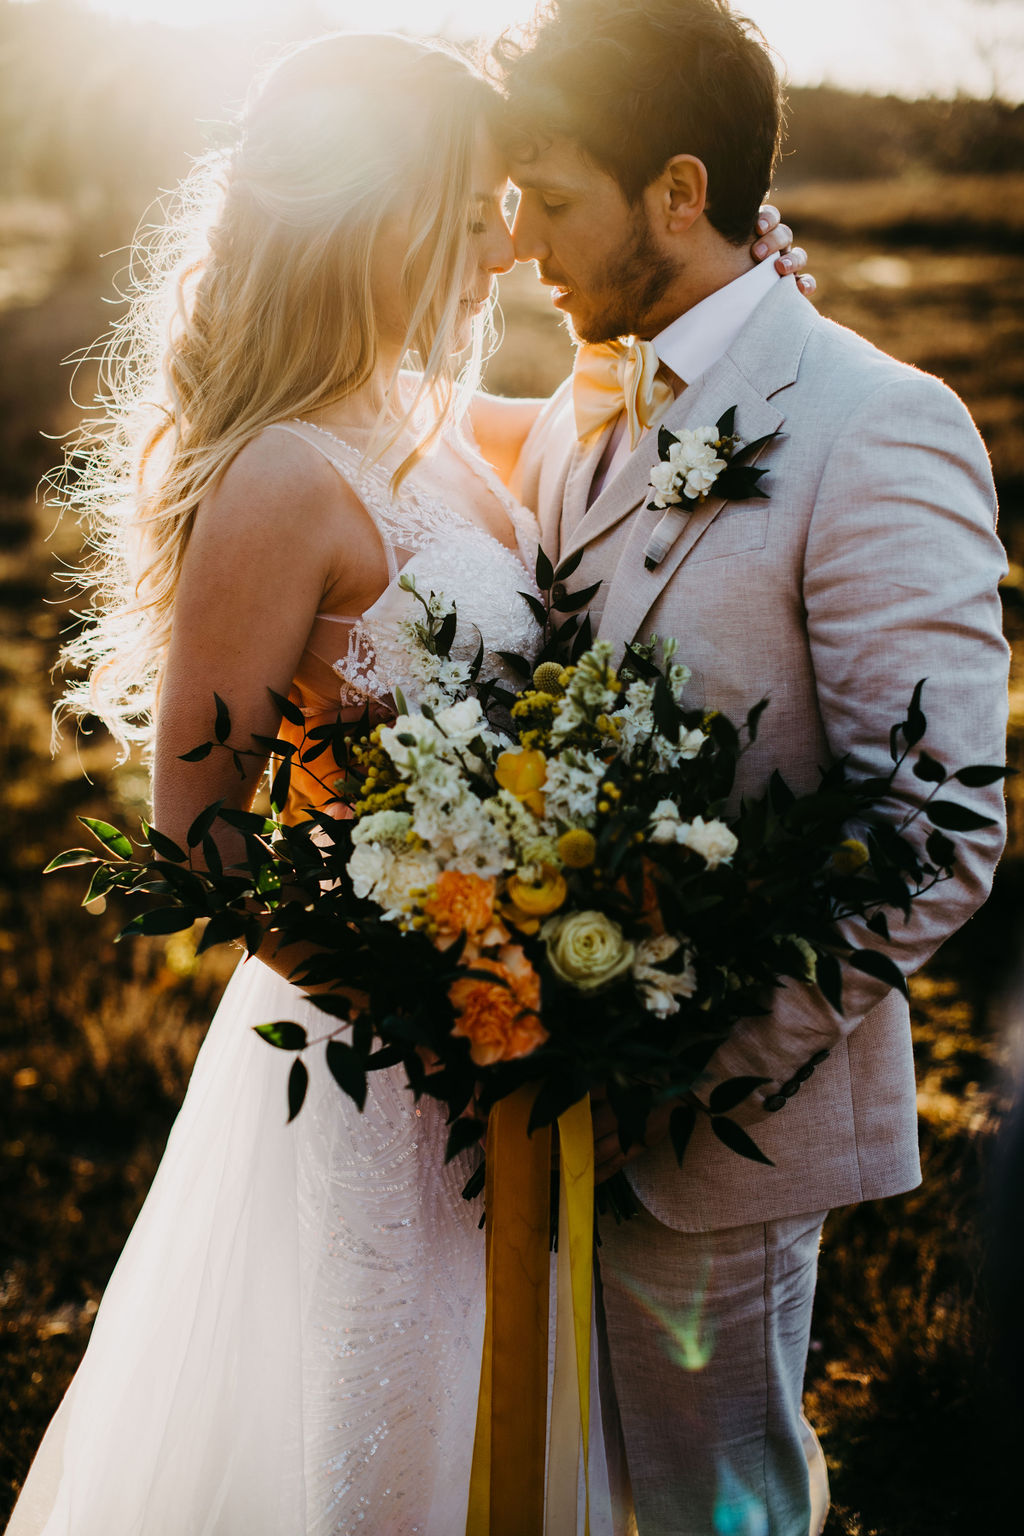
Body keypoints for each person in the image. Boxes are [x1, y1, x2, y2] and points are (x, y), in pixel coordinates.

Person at [6, 27, 803, 1536]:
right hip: (382, 1081)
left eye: (508, 211)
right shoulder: (281, 479)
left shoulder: (428, 425)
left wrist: (753, 289)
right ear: (372, 218)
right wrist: (448, 1015)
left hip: (511, 1061)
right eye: (465, 212)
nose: (497, 252)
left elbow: (626, 427)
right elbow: (197, 837)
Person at [497, 2, 1010, 1534]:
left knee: (715, 1510)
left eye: (556, 197)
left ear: (677, 188)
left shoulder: (878, 424)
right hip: (528, 1125)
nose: (524, 245)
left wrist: (673, 1067)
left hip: (715, 1138)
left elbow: (935, 829)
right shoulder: (572, 415)